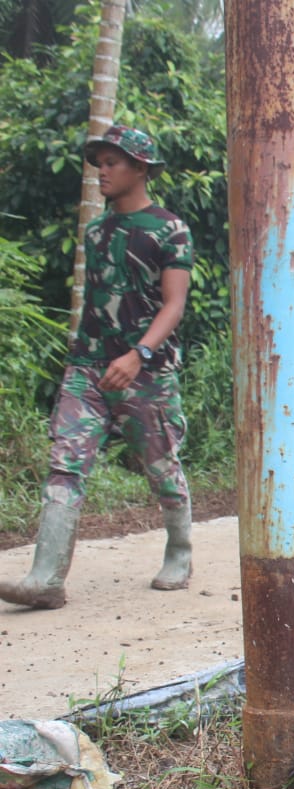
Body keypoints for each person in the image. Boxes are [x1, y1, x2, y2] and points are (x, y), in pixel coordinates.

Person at [0, 125, 194, 609]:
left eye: (113, 162)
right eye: (99, 162)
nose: (102, 171)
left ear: (141, 168)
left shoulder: (169, 229)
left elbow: (174, 304)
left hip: (147, 372)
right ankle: (46, 578)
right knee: (65, 465)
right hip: (87, 368)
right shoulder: (96, 230)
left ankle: (180, 553)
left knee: (161, 467)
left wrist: (139, 354)